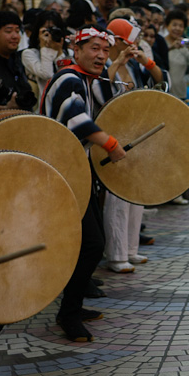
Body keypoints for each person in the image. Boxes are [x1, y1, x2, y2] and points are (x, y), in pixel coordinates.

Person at [41, 25, 127, 342]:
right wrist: (111, 143)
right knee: (90, 243)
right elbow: (77, 119)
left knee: (88, 243)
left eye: (105, 50)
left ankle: (73, 305)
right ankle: (69, 312)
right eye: (93, 48)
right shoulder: (68, 77)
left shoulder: (85, 81)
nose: (101, 55)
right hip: (61, 170)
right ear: (76, 51)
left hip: (76, 168)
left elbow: (114, 95)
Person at [102, 18, 163, 273]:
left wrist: (144, 61)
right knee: (117, 196)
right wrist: (117, 62)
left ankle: (130, 248)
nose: (133, 46)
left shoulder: (135, 66)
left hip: (135, 133)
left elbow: (160, 79)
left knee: (135, 194)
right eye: (129, 42)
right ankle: (116, 254)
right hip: (113, 132)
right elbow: (101, 89)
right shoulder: (104, 61)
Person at [0, 10, 37, 111]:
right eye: (8, 31)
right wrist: (6, 108)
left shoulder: (18, 57)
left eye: (17, 31)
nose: (15, 36)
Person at [21, 10, 71, 97]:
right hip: (43, 105)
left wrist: (59, 52)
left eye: (54, 29)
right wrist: (44, 47)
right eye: (47, 30)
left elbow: (66, 78)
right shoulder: (29, 54)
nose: (51, 34)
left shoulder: (69, 53)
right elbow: (47, 74)